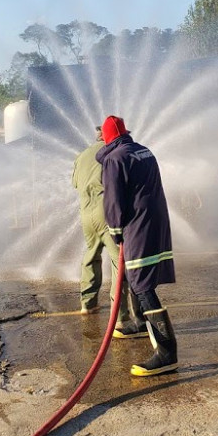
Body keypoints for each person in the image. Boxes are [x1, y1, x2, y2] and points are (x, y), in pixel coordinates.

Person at [96, 115, 178, 376]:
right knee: (135, 276)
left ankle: (167, 353)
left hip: (138, 226)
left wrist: (115, 230)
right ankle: (140, 323)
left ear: (107, 138)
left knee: (142, 285)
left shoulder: (114, 159)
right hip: (156, 222)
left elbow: (113, 200)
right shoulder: (144, 151)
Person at [72, 126, 143, 330]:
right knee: (118, 263)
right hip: (107, 214)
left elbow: (75, 184)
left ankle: (88, 303)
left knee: (91, 254)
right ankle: (121, 318)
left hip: (87, 214)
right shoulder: (114, 154)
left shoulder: (82, 156)